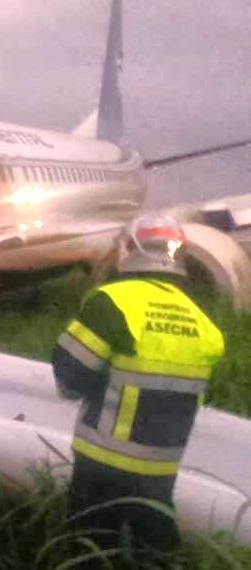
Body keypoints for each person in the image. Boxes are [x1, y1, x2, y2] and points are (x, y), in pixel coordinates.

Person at [52, 213, 225, 566]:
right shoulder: (202, 323)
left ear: (129, 250)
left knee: (88, 550)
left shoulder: (112, 302)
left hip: (102, 463)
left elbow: (69, 375)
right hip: (162, 468)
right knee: (155, 553)